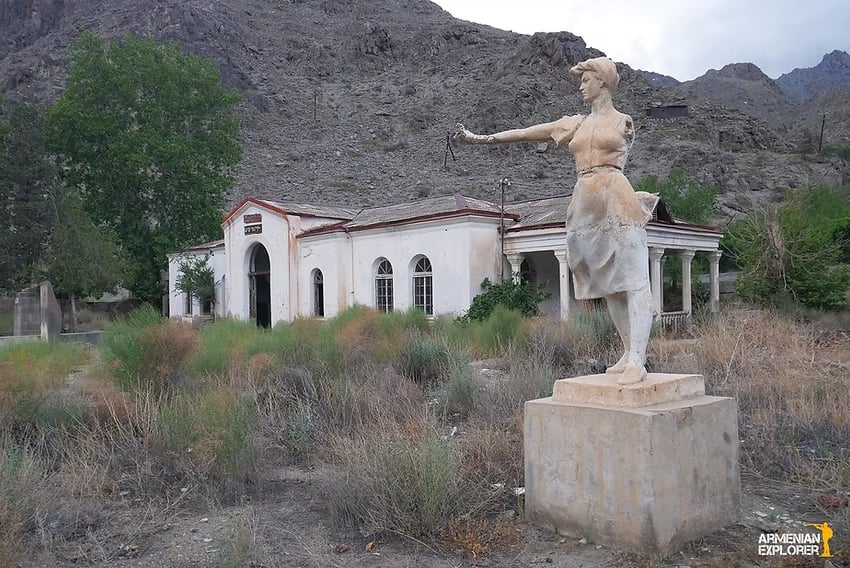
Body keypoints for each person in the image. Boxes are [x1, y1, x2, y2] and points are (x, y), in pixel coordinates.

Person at [454, 56, 658, 385]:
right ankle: (627, 352)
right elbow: (526, 133)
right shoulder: (576, 124)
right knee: (608, 283)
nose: (581, 87)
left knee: (634, 279)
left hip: (617, 196)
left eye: (586, 80)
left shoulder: (624, 122)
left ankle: (638, 358)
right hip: (586, 199)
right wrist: (482, 138)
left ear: (602, 81)